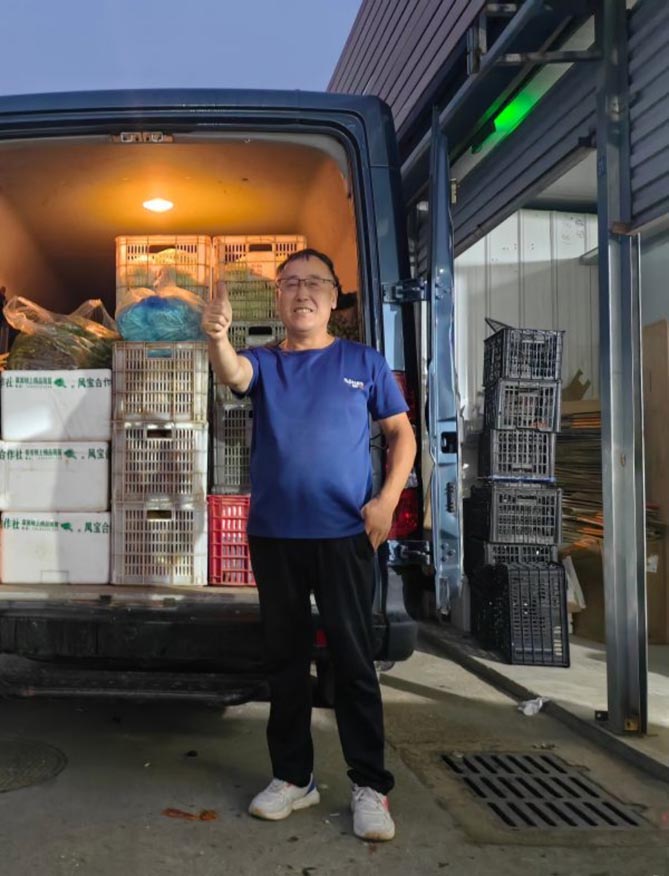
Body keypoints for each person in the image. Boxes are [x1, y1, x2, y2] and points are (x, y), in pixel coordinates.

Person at [203, 248, 416, 842]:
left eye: (314, 283)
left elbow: (401, 435)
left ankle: (370, 785)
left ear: (334, 294)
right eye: (290, 283)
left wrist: (387, 500)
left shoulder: (362, 361)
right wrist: (217, 338)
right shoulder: (265, 362)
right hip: (276, 536)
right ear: (278, 297)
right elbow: (233, 374)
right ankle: (294, 777)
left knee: (353, 661)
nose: (302, 293)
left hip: (346, 535)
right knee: (286, 662)